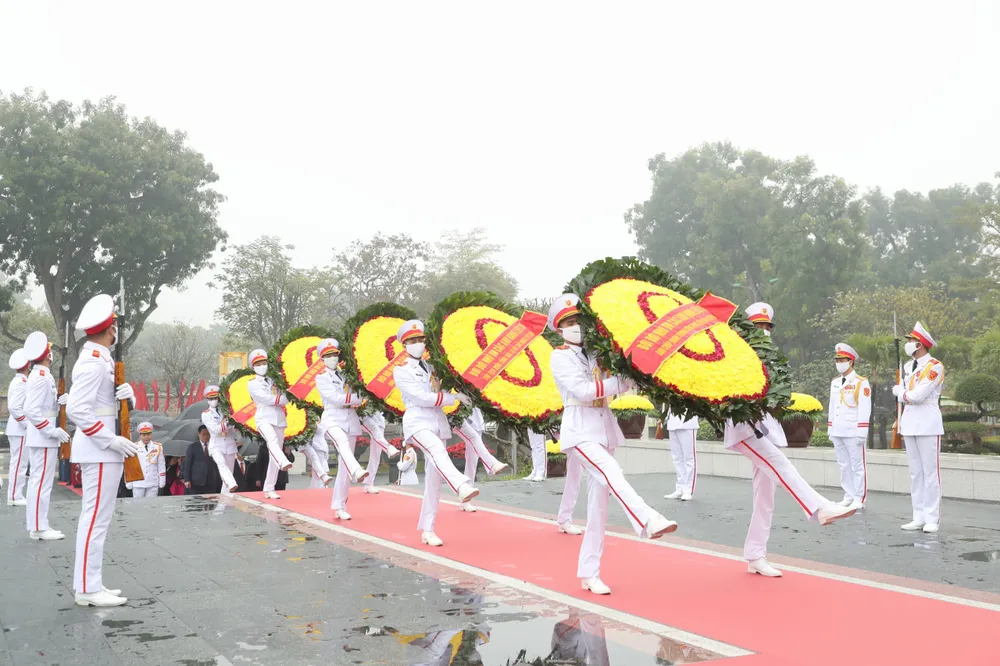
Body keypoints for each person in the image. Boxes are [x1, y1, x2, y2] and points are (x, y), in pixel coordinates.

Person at [548, 295, 676, 595]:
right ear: (559, 329)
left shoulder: (597, 352)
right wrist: (621, 382)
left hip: (603, 428)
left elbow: (614, 376)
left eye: (578, 320)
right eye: (568, 323)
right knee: (611, 470)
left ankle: (589, 572)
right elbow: (581, 390)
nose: (575, 326)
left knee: (598, 507)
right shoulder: (560, 356)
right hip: (579, 429)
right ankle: (647, 518)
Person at [725, 302, 855, 578]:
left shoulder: (768, 359)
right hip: (742, 428)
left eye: (767, 327)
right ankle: (819, 508)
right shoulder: (735, 353)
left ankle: (755, 554)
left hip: (763, 427)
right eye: (758, 326)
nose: (764, 331)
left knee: (765, 496)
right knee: (781, 464)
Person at [67, 293, 141, 607]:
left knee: (100, 519)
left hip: (104, 448)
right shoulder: (93, 362)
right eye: (115, 326)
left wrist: (129, 397)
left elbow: (105, 406)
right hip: (99, 449)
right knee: (94, 519)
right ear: (110, 329)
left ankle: (92, 582)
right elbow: (77, 410)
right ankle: (86, 588)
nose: (116, 332)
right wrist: (109, 440)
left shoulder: (101, 359)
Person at [393, 320, 478, 547]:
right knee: (437, 450)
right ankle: (461, 484)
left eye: (420, 340)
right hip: (417, 420)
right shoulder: (401, 371)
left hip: (437, 421)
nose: (418, 344)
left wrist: (461, 391)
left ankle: (428, 530)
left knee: (433, 480)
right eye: (412, 341)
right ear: (404, 345)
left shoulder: (433, 367)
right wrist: (453, 399)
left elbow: (442, 388)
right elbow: (422, 398)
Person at [893, 322, 945, 533]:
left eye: (911, 341)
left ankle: (932, 518)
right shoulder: (907, 366)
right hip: (911, 422)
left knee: (930, 473)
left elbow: (917, 396)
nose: (908, 344)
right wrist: (904, 394)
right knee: (916, 473)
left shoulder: (934, 367)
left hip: (928, 422)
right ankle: (918, 516)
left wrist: (900, 392)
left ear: (921, 344)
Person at [22, 331, 70, 541]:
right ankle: (39, 527)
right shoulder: (40, 377)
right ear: (47, 355)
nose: (51, 354)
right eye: (49, 351)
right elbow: (31, 410)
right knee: (41, 483)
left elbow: (43, 407)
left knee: (40, 482)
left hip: (42, 437)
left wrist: (58, 402)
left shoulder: (41, 375)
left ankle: (39, 525)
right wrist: (51, 430)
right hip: (43, 437)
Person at [314, 339, 369, 519]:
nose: (332, 359)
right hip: (332, 418)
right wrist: (354, 398)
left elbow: (360, 397)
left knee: (343, 467)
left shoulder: (347, 375)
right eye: (328, 356)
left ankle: (340, 506)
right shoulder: (321, 378)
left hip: (349, 419)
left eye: (334, 355)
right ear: (322, 359)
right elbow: (334, 398)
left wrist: (354, 398)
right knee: (343, 445)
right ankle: (357, 470)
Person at [827, 343, 871, 511]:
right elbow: (832, 405)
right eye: (837, 360)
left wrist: (862, 431)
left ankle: (859, 497)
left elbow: (865, 408)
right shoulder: (835, 382)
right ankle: (848, 495)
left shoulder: (861, 382)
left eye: (841, 359)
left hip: (853, 430)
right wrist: (830, 428)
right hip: (838, 429)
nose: (838, 363)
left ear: (850, 361)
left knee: (857, 465)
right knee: (843, 464)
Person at [246, 348, 292, 499]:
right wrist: (284, 398)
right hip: (264, 417)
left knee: (274, 452)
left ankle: (269, 487)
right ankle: (283, 461)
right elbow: (267, 399)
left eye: (264, 362)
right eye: (258, 363)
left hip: (278, 417)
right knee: (271, 442)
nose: (262, 365)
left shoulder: (275, 380)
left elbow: (284, 393)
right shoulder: (252, 383)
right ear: (253, 367)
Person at [454, 407, 509, 512]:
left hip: (473, 417)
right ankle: (492, 464)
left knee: (472, 461)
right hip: (456, 414)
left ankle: (466, 501)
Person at [201, 385, 239, 495]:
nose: (213, 400)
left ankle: (224, 503)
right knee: (221, 464)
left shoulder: (227, 410)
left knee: (228, 473)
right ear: (207, 400)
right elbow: (216, 429)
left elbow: (233, 430)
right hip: (216, 443)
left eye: (215, 398)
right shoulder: (206, 414)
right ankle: (232, 483)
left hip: (229, 442)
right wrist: (228, 422)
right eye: (210, 398)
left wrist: (234, 423)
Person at [6, 349, 30, 507]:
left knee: (20, 463)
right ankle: (15, 495)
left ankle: (15, 494)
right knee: (19, 464)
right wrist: (27, 425)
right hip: (20, 429)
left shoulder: (18, 381)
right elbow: (14, 408)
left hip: (17, 428)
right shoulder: (21, 383)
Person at [360, 410, 400, 494]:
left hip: (379, 419)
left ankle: (369, 483)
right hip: (363, 415)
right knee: (374, 430)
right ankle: (388, 448)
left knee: (376, 454)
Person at [663, 410, 698, 501]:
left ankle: (688, 490)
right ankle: (680, 488)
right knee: (677, 458)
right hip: (672, 422)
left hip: (688, 422)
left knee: (689, 458)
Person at [125, 422, 166, 497]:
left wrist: (162, 480)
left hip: (152, 481)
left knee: (151, 505)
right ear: (140, 435)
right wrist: (128, 481)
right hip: (138, 482)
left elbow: (161, 465)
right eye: (144, 435)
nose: (146, 437)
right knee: (138, 505)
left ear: (151, 435)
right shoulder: (134, 447)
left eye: (148, 435)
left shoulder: (158, 447)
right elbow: (130, 466)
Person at [183, 426, 220, 494]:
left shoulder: (214, 446)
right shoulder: (193, 447)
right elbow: (188, 464)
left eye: (208, 434)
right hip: (196, 482)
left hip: (211, 481)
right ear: (199, 434)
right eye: (203, 434)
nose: (206, 436)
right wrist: (187, 479)